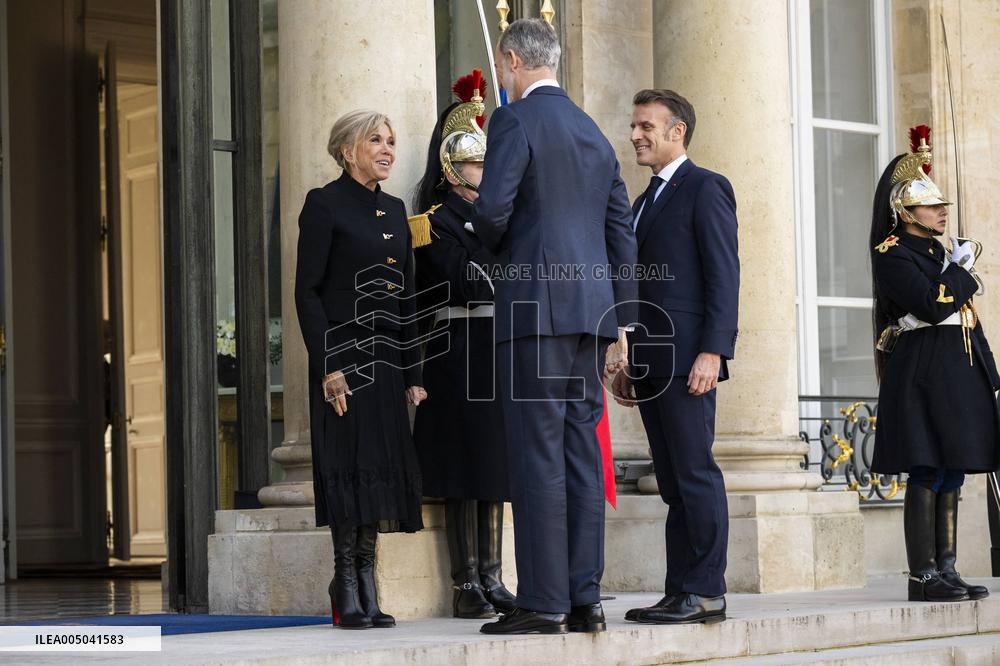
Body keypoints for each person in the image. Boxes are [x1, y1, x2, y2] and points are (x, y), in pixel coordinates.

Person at [472, 18, 638, 635]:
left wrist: (489, 248)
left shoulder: (513, 120)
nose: (502, 77)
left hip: (534, 310)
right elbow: (621, 232)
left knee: (536, 453)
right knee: (580, 454)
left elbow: (492, 211)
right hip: (590, 317)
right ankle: (584, 598)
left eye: (502, 67)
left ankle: (544, 601)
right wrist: (622, 321)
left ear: (514, 61)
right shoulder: (593, 130)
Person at [294, 109, 427, 630]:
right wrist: (328, 366)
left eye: (391, 140)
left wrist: (414, 372)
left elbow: (408, 295)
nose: (388, 149)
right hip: (343, 358)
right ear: (348, 151)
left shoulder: (395, 210)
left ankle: (369, 581)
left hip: (387, 359)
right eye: (376, 140)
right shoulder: (323, 203)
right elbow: (307, 292)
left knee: (379, 468)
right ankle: (346, 581)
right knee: (348, 465)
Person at [612, 89, 739, 625]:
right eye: (634, 126)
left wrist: (713, 350)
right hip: (652, 361)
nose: (635, 135)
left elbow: (723, 275)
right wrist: (628, 355)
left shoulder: (706, 187)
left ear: (676, 131)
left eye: (645, 126)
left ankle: (706, 590)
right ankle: (678, 589)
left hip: (689, 360)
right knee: (671, 479)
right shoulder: (642, 202)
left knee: (694, 472)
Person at [868, 125, 998, 602]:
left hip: (955, 371)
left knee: (953, 469)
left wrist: (990, 373)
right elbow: (931, 305)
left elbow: (968, 320)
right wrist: (962, 271)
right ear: (906, 212)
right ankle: (922, 575)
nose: (943, 211)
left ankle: (947, 568)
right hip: (922, 372)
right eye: (932, 206)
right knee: (926, 468)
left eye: (942, 205)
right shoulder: (893, 254)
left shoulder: (938, 252)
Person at [410, 70, 516, 619]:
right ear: (454, 170)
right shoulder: (430, 224)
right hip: (455, 350)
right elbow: (467, 282)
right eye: (478, 164)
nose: (486, 172)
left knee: (494, 464)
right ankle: (465, 580)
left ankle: (494, 576)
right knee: (462, 467)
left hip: (495, 349)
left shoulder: (495, 221)